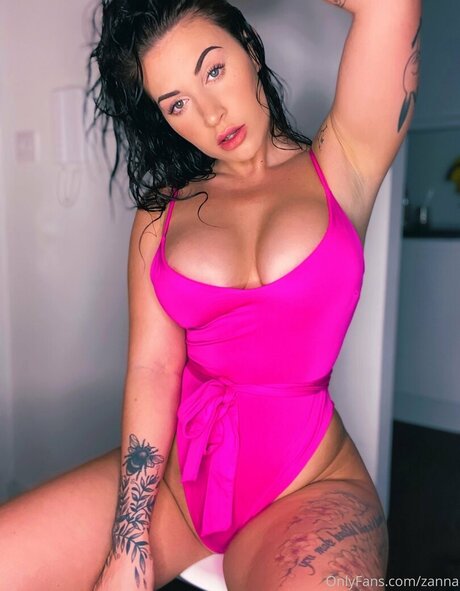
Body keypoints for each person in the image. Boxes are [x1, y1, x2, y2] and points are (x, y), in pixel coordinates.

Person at [0, 0, 421, 589]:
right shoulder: (161, 214)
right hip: (179, 480)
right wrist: (129, 542)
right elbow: (153, 369)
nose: (210, 113)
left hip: (307, 486)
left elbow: (390, 9)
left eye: (213, 70)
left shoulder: (344, 159)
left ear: (248, 46)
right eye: (177, 104)